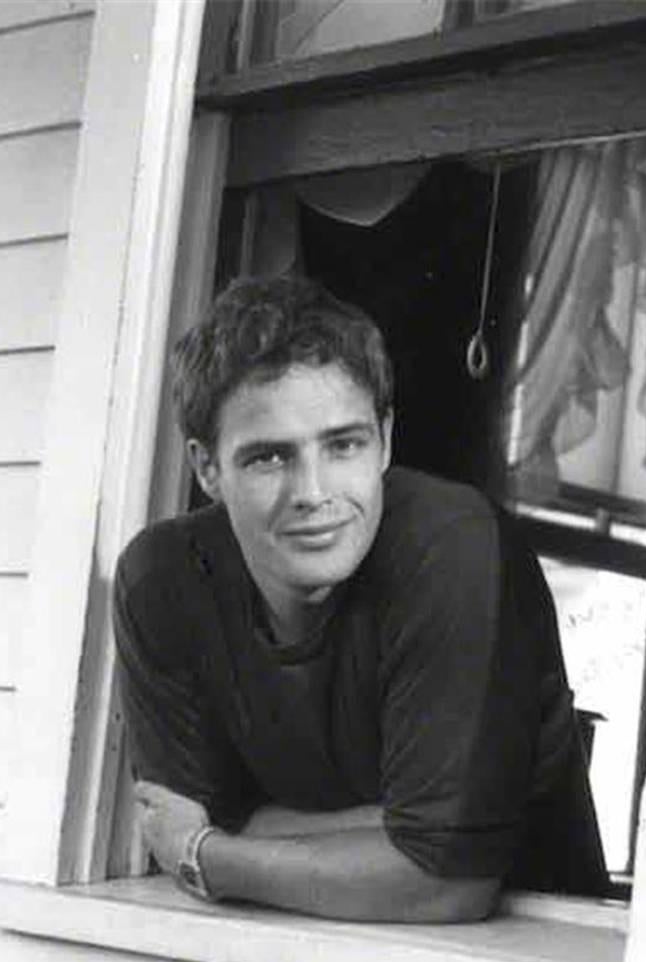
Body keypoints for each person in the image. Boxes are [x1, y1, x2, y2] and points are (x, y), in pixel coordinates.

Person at [112, 275, 609, 922]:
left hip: (537, 955)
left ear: (386, 441)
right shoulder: (163, 581)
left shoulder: (453, 546)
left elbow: (445, 881)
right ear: (208, 468)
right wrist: (399, 834)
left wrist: (208, 855)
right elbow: (176, 816)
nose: (313, 492)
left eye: (343, 445)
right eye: (268, 458)